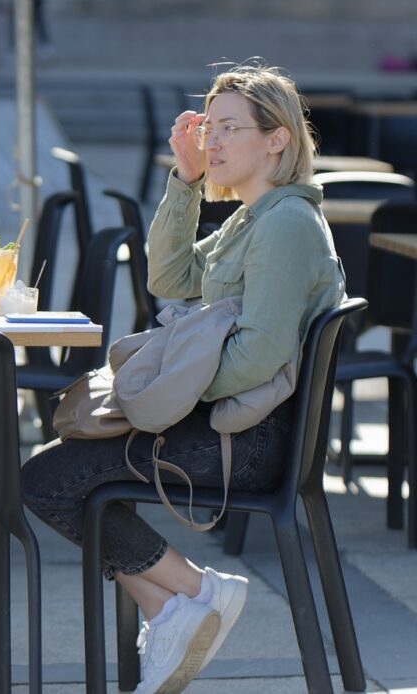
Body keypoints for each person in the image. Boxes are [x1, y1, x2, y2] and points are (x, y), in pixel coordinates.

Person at [21, 63, 345, 694]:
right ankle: (169, 606)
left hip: (251, 443)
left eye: (228, 129)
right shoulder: (255, 217)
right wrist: (185, 180)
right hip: (236, 427)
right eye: (208, 129)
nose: (212, 141)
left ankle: (198, 592)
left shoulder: (285, 225)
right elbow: (168, 281)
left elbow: (258, 356)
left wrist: (168, 397)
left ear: (277, 139)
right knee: (59, 471)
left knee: (47, 479)